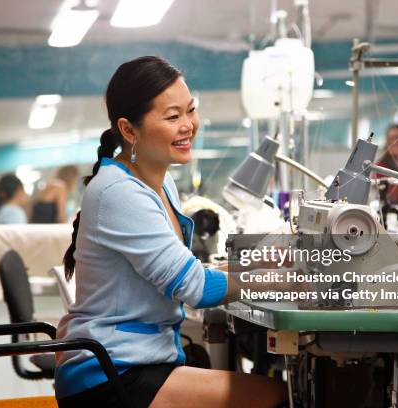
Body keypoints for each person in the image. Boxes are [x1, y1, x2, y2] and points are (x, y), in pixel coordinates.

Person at [55, 56, 287, 408]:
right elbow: (196, 287)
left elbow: (190, 272)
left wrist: (264, 266)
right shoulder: (119, 192)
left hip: (136, 360)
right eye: (172, 116)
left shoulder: (158, 185)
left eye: (190, 111)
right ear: (129, 130)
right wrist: (282, 279)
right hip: (109, 376)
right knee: (279, 397)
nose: (189, 125)